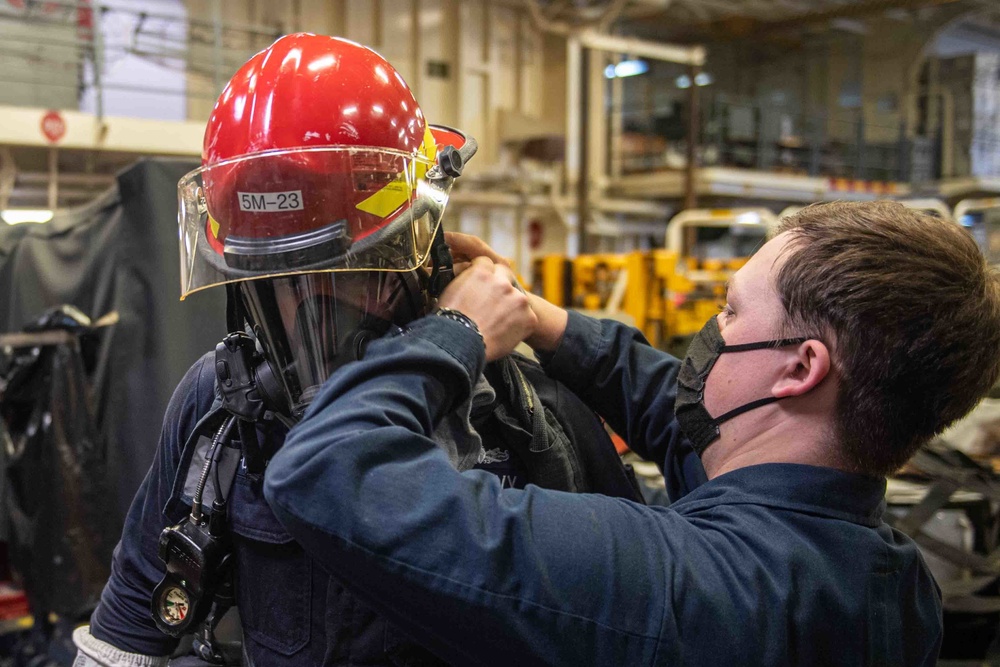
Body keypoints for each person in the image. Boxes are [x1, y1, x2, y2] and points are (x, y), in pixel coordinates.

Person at [73, 34, 641, 667]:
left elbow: (638, 622)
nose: (311, 314)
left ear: (419, 253)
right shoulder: (220, 410)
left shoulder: (526, 417)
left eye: (347, 277)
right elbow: (128, 624)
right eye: (280, 282)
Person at [259, 201, 1000, 665]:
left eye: (731, 311)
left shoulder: (670, 589)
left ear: (800, 369)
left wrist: (454, 333)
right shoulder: (893, 584)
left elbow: (328, 469)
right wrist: (540, 319)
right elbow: (677, 413)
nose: (712, 330)